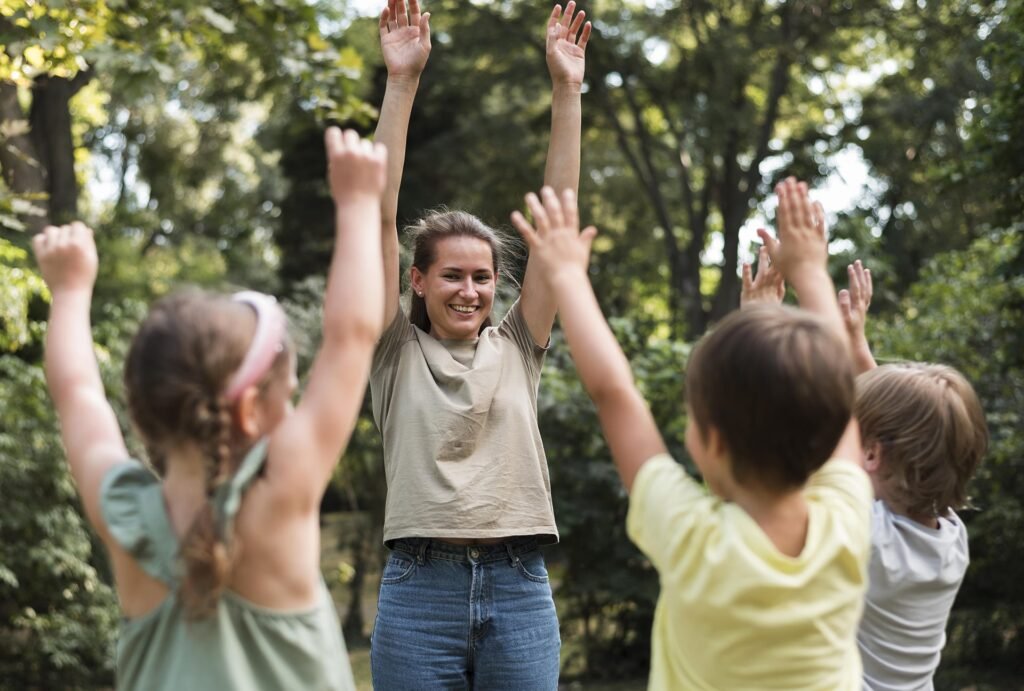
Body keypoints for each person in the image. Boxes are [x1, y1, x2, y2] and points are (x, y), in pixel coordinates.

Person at [33, 129, 387, 690]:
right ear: (250, 410)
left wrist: (70, 290)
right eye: (289, 393)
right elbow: (351, 337)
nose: (295, 404)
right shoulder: (279, 496)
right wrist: (359, 202)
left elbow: (77, 393)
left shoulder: (124, 513)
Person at [511, 178, 872, 689]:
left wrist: (567, 274)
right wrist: (810, 273)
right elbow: (837, 398)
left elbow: (616, 394)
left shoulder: (694, 539)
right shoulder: (847, 521)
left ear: (715, 441)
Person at [367, 1, 591, 688]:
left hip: (518, 585)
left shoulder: (518, 345)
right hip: (418, 589)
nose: (470, 291)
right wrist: (401, 82)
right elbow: (376, 212)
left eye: (483, 277)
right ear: (418, 279)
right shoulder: (394, 350)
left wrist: (566, 91)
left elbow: (559, 219)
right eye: (453, 276)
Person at [836, 262, 988, 690]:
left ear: (871, 453)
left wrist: (763, 321)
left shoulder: (869, 536)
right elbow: (883, 421)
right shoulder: (949, 539)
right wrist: (854, 339)